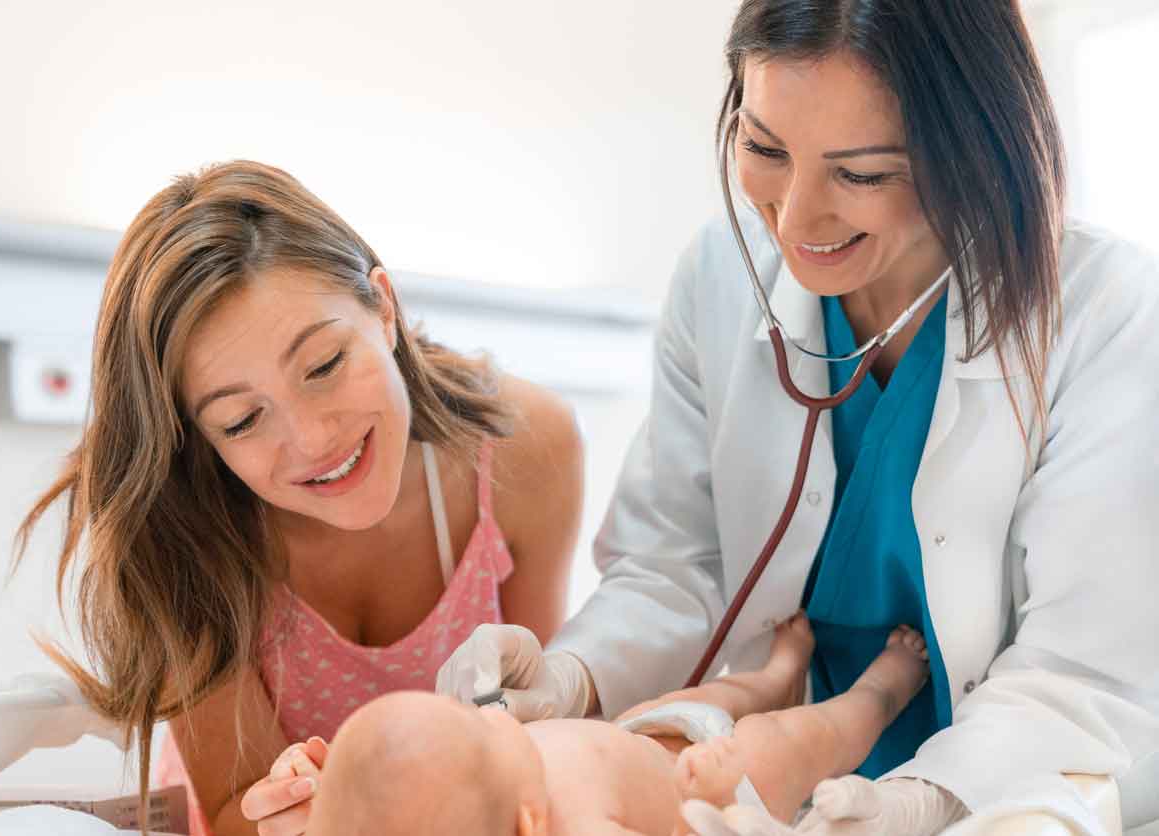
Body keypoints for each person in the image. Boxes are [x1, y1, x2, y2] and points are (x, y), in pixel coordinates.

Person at [437, 1, 1159, 833]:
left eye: (861, 174)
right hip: (776, 784)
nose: (795, 217)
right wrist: (570, 675)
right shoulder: (718, 273)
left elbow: (1083, 667)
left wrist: (921, 805)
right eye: (763, 149)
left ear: (976, 153)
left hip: (1011, 784)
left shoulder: (1106, 313)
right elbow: (673, 565)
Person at [13, 160, 584, 836]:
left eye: (323, 365)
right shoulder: (178, 534)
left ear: (383, 306)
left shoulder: (526, 446)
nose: (313, 440)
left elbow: (545, 740)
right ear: (196, 438)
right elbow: (232, 811)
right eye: (242, 421)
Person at [301, 615, 934, 835]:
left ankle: (780, 674)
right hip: (714, 781)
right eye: (482, 730)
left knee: (731, 690)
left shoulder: (485, 781)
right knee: (810, 735)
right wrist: (705, 796)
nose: (486, 718)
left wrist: (335, 787)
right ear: (530, 823)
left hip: (642, 730)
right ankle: (884, 690)